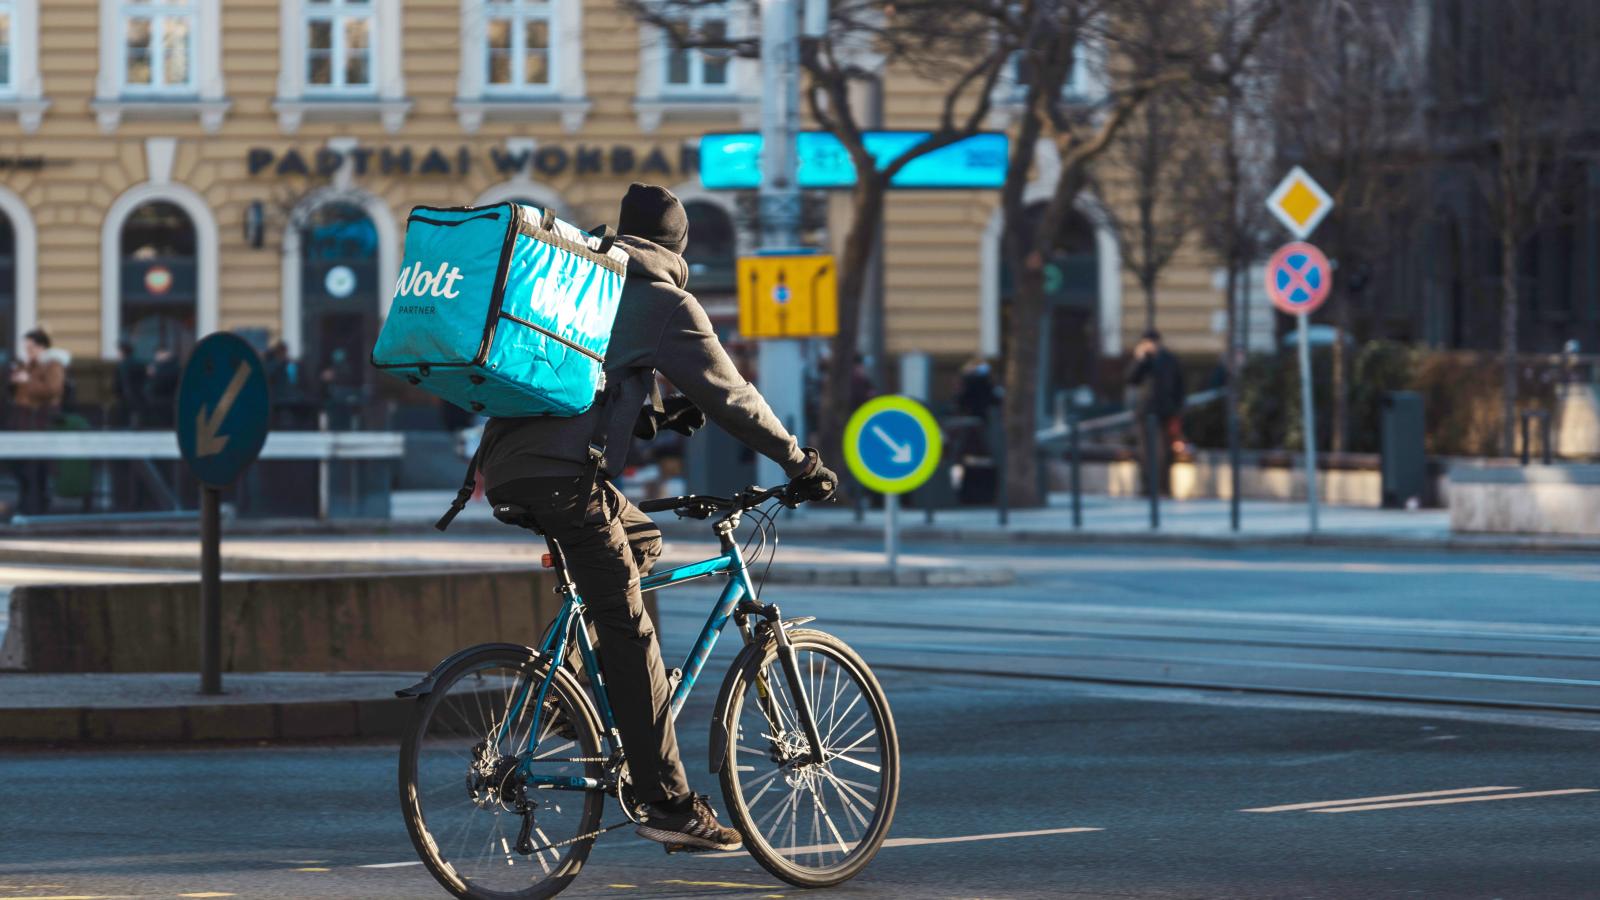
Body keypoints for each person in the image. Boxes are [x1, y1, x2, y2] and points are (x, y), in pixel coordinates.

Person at [477, 183, 838, 852]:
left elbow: (578, 380)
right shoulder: (666, 300)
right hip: (563, 478)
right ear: (679, 247)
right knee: (632, 632)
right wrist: (799, 463)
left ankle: (574, 694)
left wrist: (658, 414)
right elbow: (733, 395)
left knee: (640, 537)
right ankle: (666, 802)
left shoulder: (587, 280)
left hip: (507, 464)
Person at [8, 328, 68, 515]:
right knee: (21, 465)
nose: (28, 351)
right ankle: (27, 502)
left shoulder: (53, 364)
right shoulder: (29, 364)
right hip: (24, 420)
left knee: (36, 466)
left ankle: (36, 504)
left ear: (42, 347)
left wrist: (26, 381)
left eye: (31, 347)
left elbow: (54, 390)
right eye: (26, 347)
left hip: (39, 420)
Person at [1125, 329, 1185, 497]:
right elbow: (1131, 379)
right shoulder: (1143, 361)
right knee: (1144, 452)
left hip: (1164, 412)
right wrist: (1140, 359)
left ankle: (1163, 488)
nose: (1150, 346)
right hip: (1145, 413)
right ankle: (1146, 488)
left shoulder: (1169, 360)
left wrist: (1177, 410)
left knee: (1163, 453)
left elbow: (1179, 386)